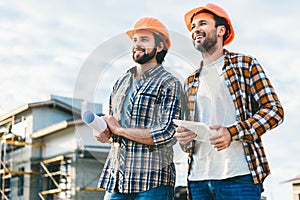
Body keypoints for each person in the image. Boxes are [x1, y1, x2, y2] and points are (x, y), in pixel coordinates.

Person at [175, 3, 284, 200]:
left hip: (239, 176)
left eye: (202, 24)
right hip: (198, 179)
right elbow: (190, 136)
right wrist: (183, 139)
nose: (195, 29)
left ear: (221, 30)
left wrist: (232, 132)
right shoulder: (190, 82)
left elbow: (274, 110)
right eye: (192, 27)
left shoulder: (245, 64)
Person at [95, 17, 184, 200]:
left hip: (152, 183)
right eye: (135, 40)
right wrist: (104, 133)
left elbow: (166, 132)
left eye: (144, 40)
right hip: (117, 180)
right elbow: (112, 125)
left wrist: (119, 130)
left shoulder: (169, 83)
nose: (137, 45)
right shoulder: (121, 82)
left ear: (159, 47)